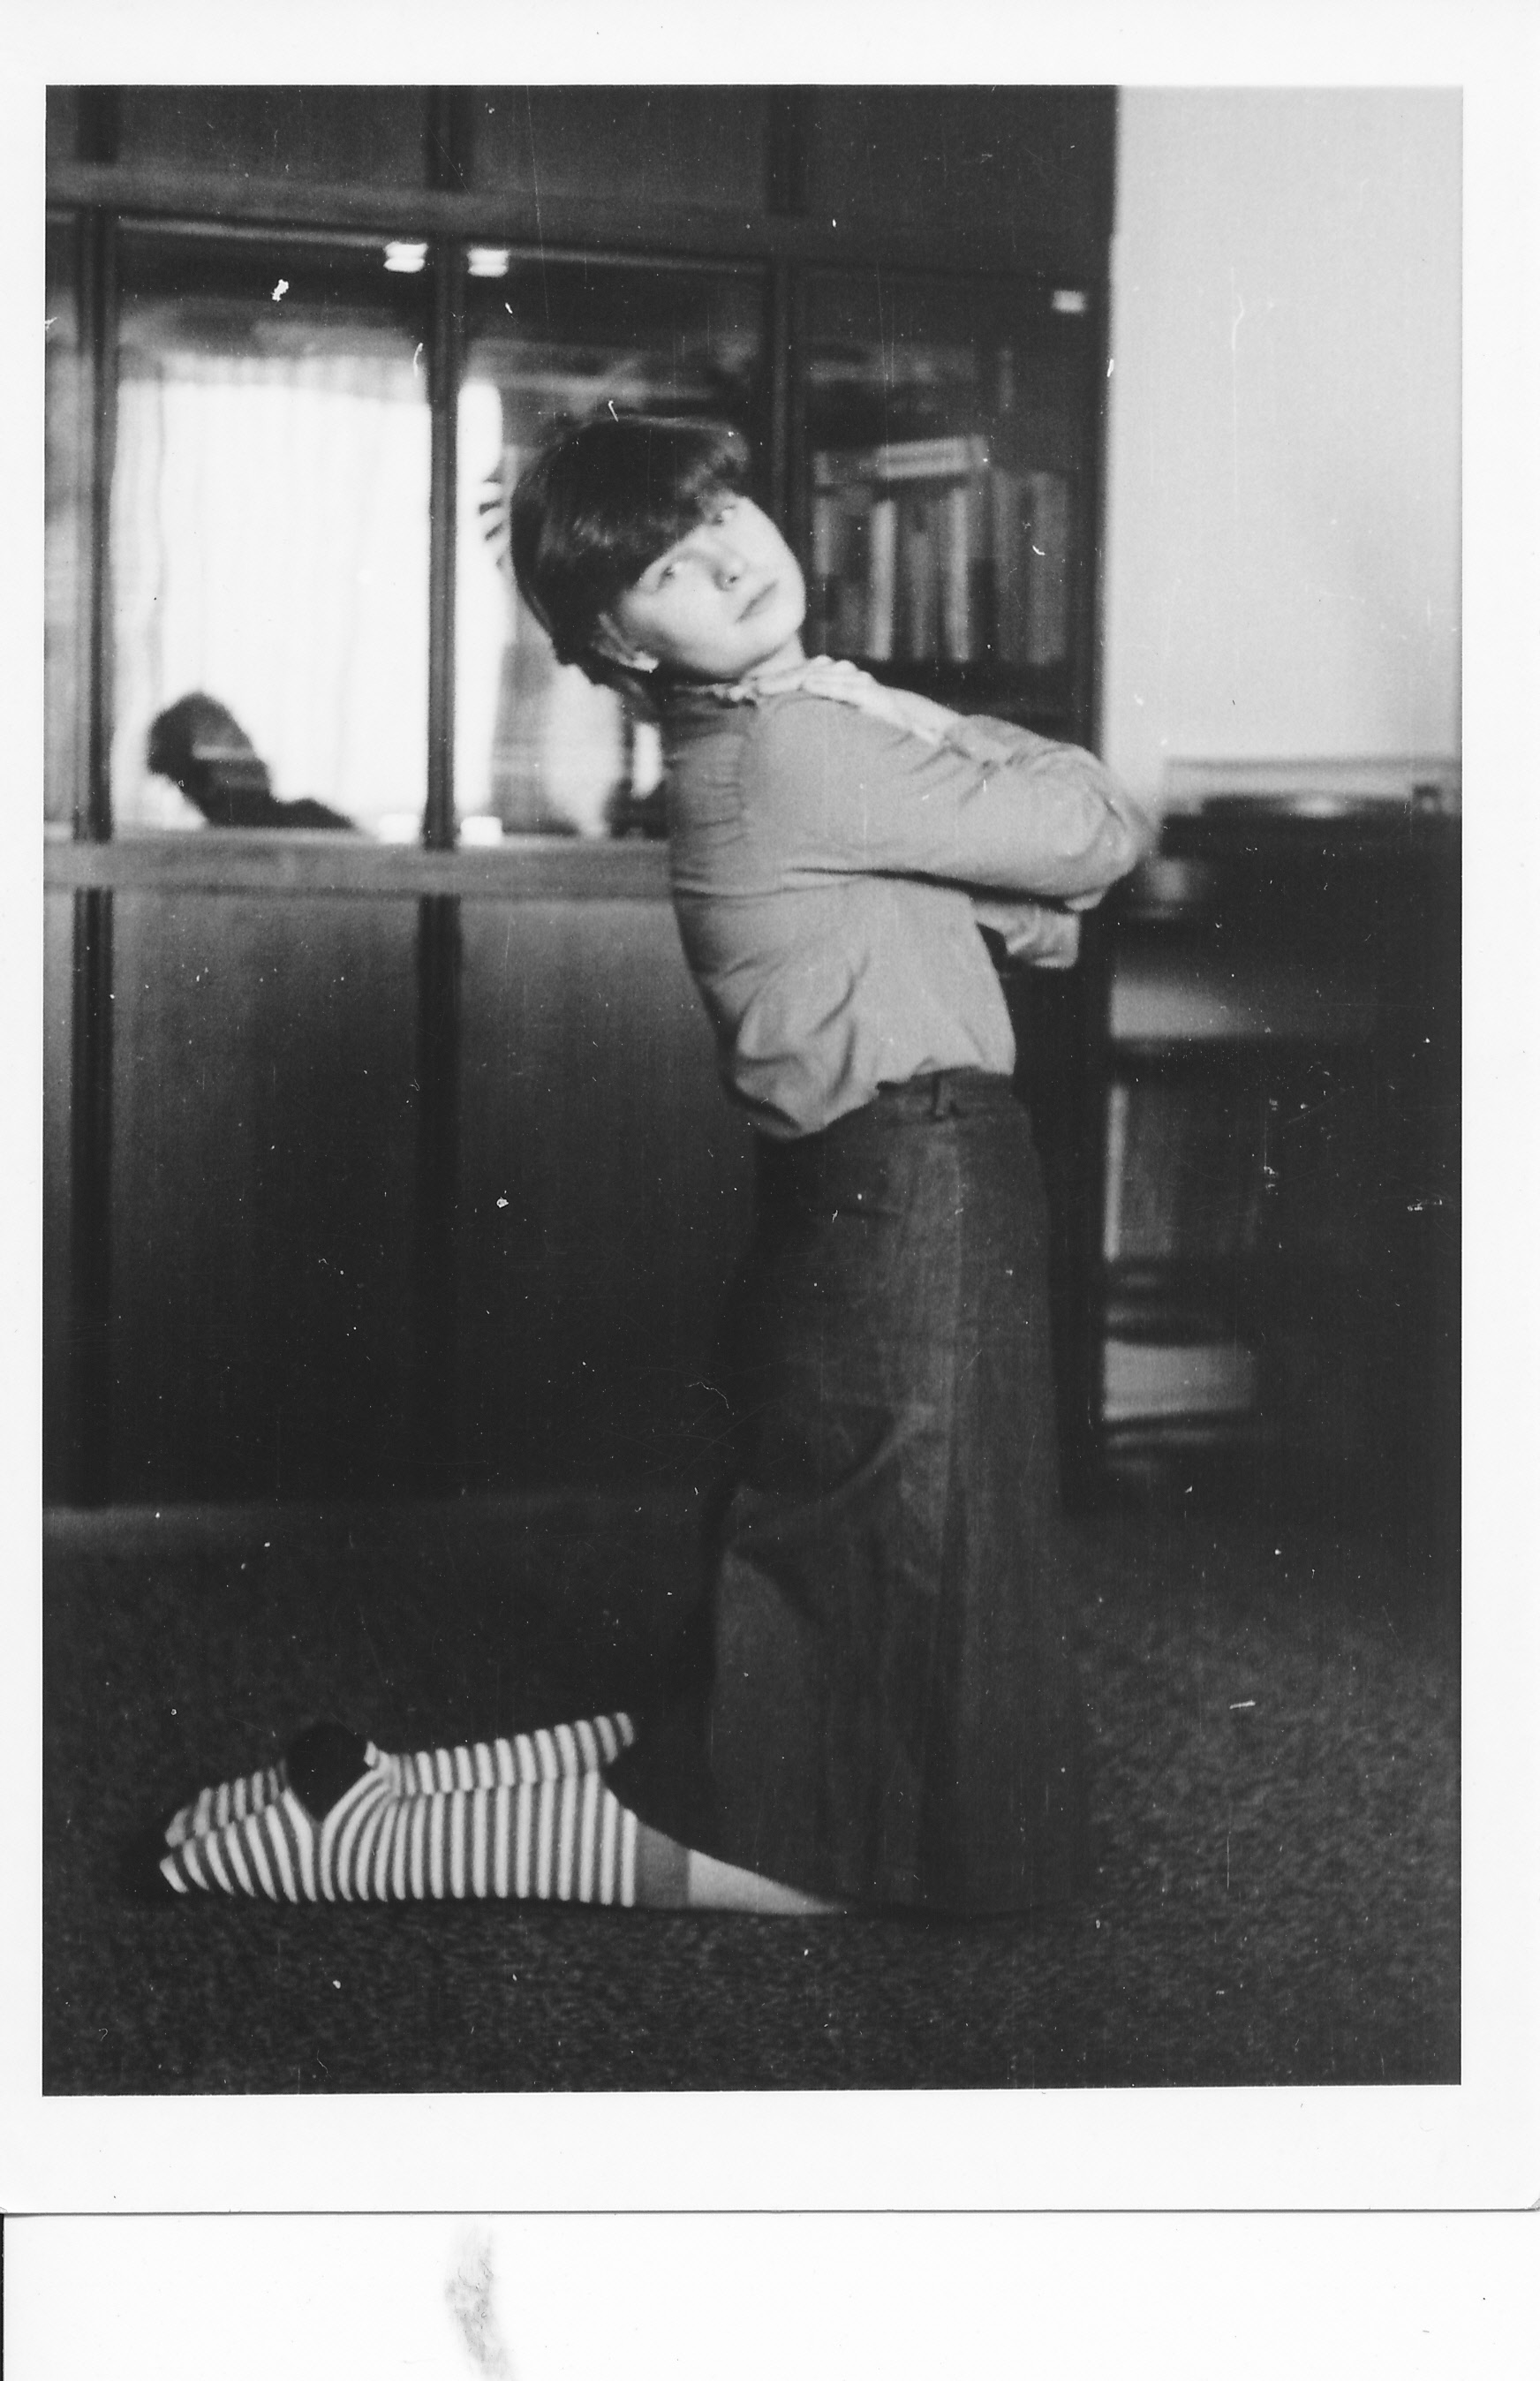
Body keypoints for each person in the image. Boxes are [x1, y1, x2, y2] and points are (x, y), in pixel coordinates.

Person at [147, 413, 1149, 1917]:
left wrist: (919, 775)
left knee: (832, 1653)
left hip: (876, 1195)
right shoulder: (805, 740)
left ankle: (373, 1790)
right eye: (669, 566)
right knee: (812, 1807)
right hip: (914, 1185)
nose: (730, 558)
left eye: (721, 511)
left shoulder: (747, 741)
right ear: (621, 642)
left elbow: (1029, 918)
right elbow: (1097, 836)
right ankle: (342, 1844)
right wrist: (916, 719)